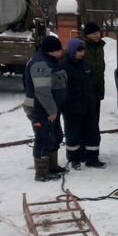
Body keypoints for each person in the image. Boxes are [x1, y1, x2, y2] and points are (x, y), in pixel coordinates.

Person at [23, 35, 68, 181]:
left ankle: (52, 165)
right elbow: (42, 91)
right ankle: (42, 172)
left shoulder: (51, 61)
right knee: (43, 138)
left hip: (50, 108)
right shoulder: (40, 65)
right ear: (51, 51)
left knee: (54, 135)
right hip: (41, 109)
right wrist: (52, 110)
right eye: (59, 49)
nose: (62, 51)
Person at [60, 39, 105, 169]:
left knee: (93, 133)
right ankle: (75, 159)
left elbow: (92, 83)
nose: (81, 53)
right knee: (73, 134)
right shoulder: (63, 67)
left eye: (83, 50)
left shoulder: (87, 66)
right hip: (72, 107)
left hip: (88, 105)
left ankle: (92, 158)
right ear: (73, 50)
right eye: (79, 50)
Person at [82, 21, 106, 121]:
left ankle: (94, 135)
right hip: (84, 90)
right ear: (87, 35)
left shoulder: (99, 47)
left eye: (98, 33)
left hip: (97, 87)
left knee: (95, 118)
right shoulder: (81, 47)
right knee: (86, 119)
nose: (97, 36)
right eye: (94, 34)